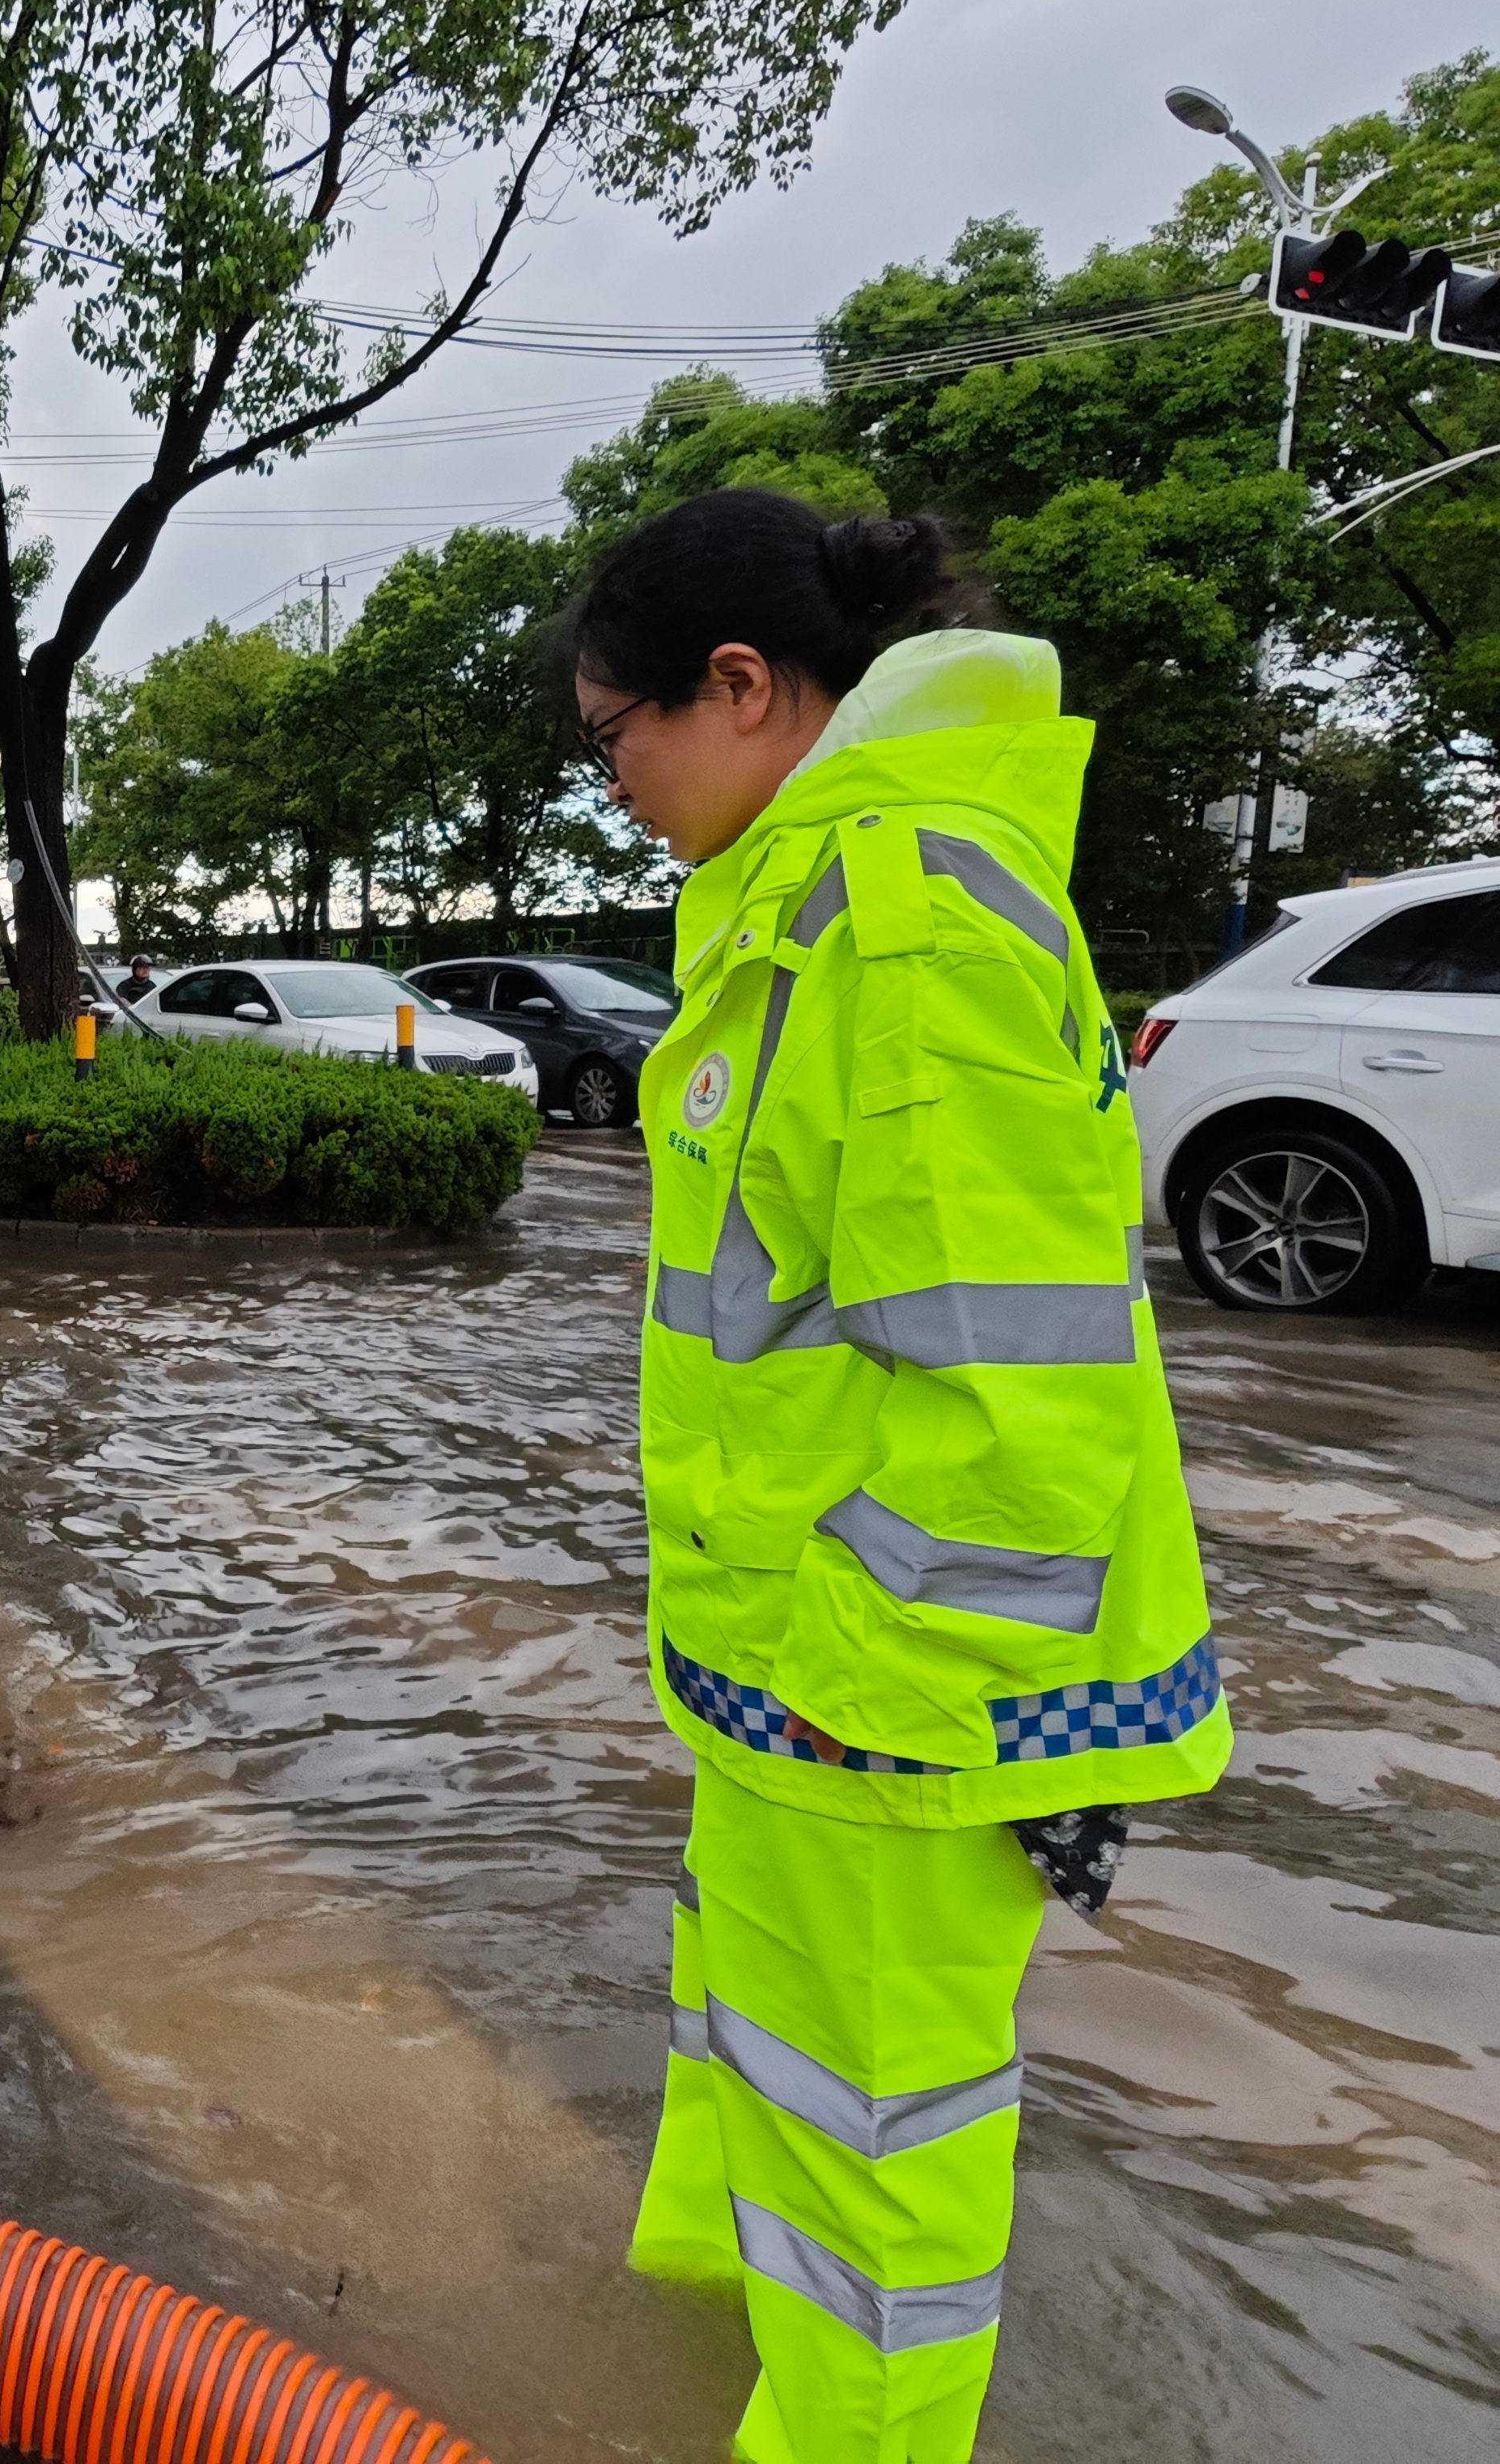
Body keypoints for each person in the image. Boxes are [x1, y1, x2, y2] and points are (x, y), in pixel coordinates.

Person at [574, 487, 1229, 2464]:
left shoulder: (905, 916)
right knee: (776, 2066)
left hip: (886, 1691)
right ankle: (727, 2368)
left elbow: (1010, 1399)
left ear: (744, 686)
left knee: (876, 2152)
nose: (612, 787)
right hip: (805, 1673)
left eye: (616, 736)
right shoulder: (809, 902)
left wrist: (874, 1686)